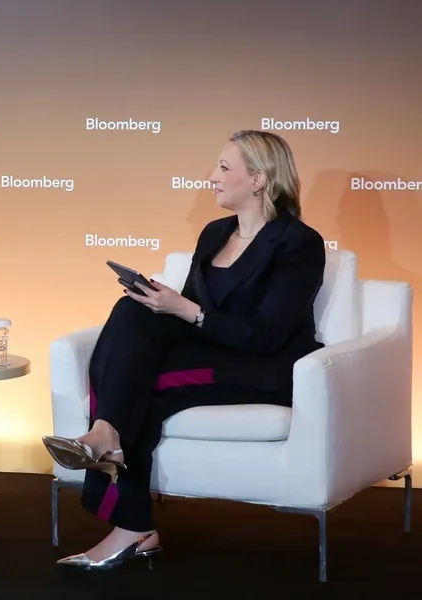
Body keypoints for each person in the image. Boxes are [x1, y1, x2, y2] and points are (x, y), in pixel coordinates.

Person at [42, 129, 325, 571]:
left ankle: (129, 517)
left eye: (224, 168)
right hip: (208, 353)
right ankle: (106, 436)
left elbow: (267, 334)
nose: (212, 177)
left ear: (259, 179)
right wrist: (162, 303)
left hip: (262, 366)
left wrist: (184, 308)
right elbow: (192, 313)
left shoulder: (298, 242)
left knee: (137, 387)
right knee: (130, 314)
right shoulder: (215, 233)